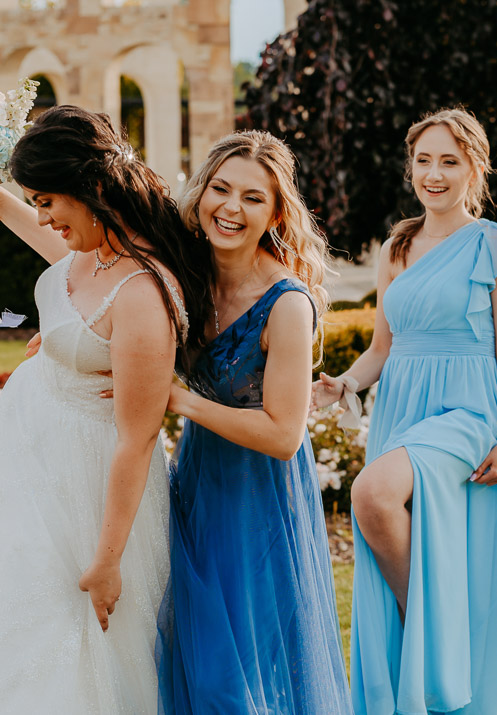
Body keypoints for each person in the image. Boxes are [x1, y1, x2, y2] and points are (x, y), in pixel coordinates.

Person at [0, 105, 210, 714]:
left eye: (47, 201)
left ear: (91, 189)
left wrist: (107, 561)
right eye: (35, 202)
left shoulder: (143, 293)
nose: (43, 216)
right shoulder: (92, 249)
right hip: (27, 464)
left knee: (66, 638)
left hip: (89, 488)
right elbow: (49, 247)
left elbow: (137, 439)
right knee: (1, 620)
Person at [312, 107, 497, 714]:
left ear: (474, 169)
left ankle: (431, 631)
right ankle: (430, 651)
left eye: (449, 162)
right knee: (404, 520)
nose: (434, 174)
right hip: (402, 407)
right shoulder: (398, 245)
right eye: (423, 161)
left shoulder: (495, 244)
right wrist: (344, 383)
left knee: (372, 493)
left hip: (468, 412)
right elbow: (382, 348)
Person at [148, 130, 351, 713]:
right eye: (221, 189)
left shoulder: (286, 304)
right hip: (199, 480)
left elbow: (284, 436)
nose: (231, 208)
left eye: (253, 197)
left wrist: (180, 401)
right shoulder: (187, 269)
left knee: (238, 672)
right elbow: (84, 248)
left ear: (276, 213)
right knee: (190, 651)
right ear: (201, 192)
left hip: (260, 501)